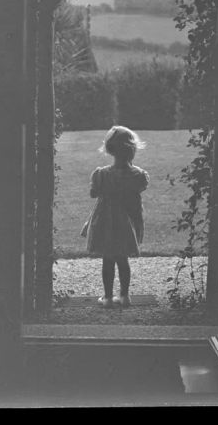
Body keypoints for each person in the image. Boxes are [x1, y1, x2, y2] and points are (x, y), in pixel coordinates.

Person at [81, 126, 149, 308]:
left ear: (110, 149)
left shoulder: (101, 175)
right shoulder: (138, 176)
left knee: (108, 259)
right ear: (132, 150)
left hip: (105, 222)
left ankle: (108, 297)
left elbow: (94, 194)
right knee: (123, 259)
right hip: (126, 223)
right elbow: (136, 200)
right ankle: (125, 295)